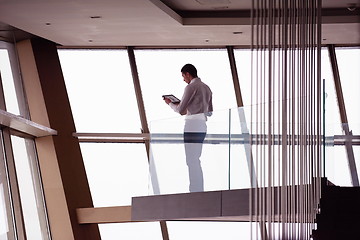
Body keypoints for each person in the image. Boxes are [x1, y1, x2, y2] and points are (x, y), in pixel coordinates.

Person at [164, 63, 213, 192]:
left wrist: (170, 104)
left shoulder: (190, 87)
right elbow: (209, 112)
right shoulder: (207, 88)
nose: (183, 79)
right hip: (202, 125)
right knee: (196, 158)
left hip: (192, 125)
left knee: (191, 160)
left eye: (183, 76)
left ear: (188, 74)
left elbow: (181, 110)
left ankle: (195, 190)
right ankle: (198, 188)